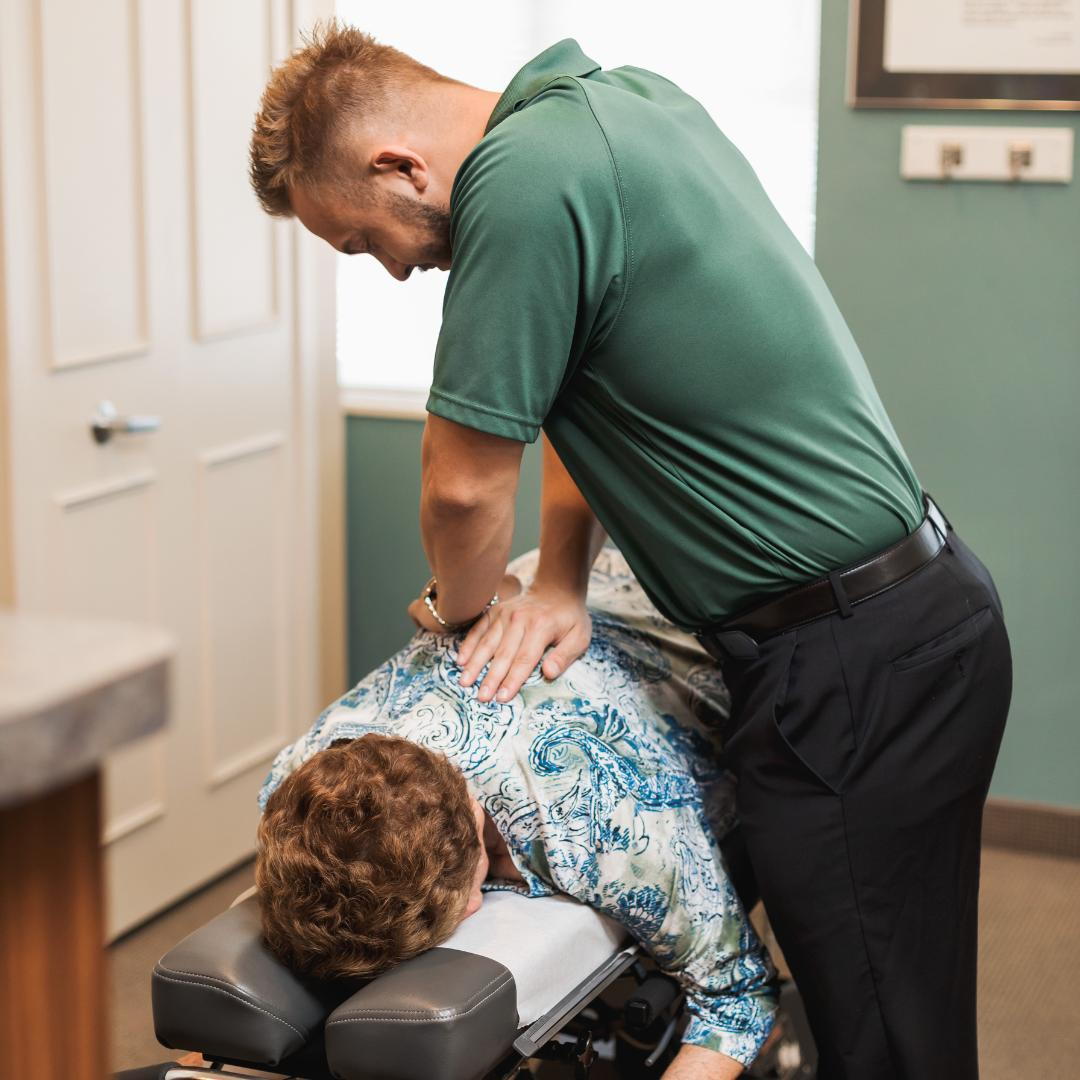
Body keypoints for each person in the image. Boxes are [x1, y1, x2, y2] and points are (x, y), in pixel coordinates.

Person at [249, 23, 1013, 1079]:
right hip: (906, 622)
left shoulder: (513, 186)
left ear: (398, 166)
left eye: (358, 240)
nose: (388, 269)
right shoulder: (617, 109)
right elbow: (592, 384)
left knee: (888, 1046)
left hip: (850, 661)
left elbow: (463, 485)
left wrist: (463, 629)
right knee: (899, 1012)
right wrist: (558, 576)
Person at [257, 548, 775, 1079]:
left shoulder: (604, 830)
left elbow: (736, 999)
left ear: (478, 861)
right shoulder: (299, 769)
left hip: (693, 605)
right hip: (532, 593)